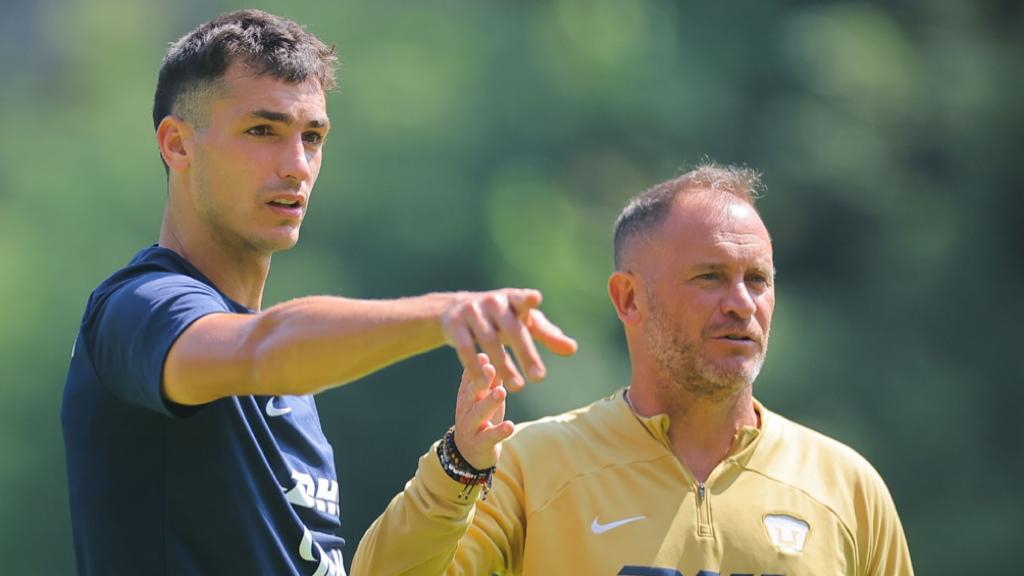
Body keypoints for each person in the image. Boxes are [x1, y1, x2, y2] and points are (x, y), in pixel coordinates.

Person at [60, 9, 577, 576]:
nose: (297, 166)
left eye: (313, 137)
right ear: (177, 145)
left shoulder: (296, 390)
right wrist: (444, 312)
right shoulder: (139, 308)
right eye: (263, 131)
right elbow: (263, 350)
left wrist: (459, 468)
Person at [351, 164, 915, 575]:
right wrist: (457, 467)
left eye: (758, 279)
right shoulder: (531, 465)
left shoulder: (848, 487)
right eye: (710, 277)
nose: (742, 302)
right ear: (628, 300)